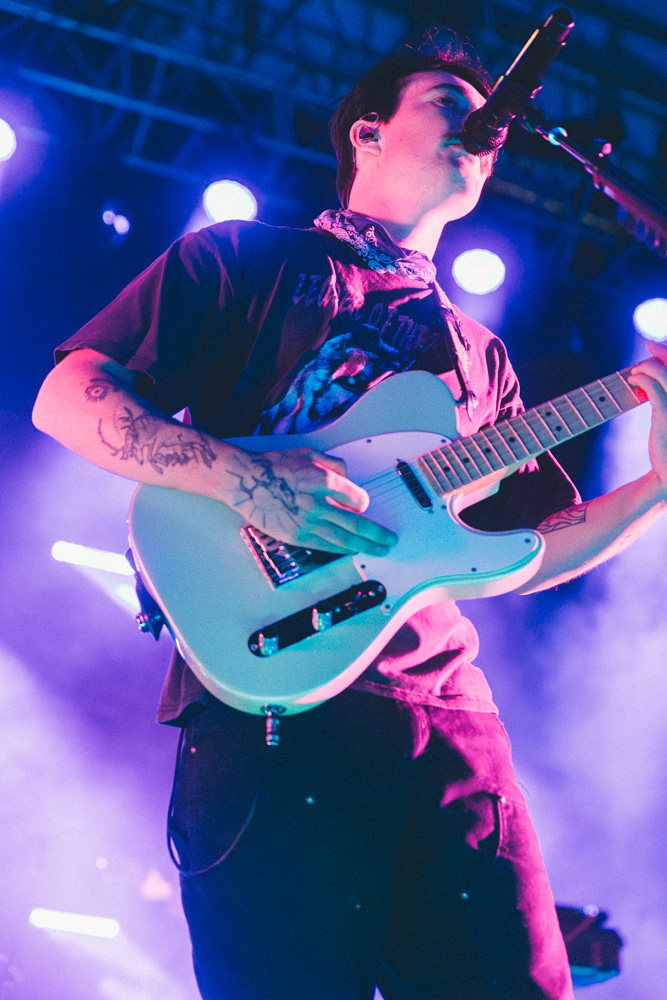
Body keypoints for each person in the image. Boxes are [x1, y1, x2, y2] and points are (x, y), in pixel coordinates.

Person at [32, 29, 667, 1000]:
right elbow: (69, 396)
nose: (479, 129)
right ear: (367, 134)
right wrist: (245, 479)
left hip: (450, 721)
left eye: (488, 121)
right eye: (448, 105)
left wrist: (656, 485)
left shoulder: (480, 358)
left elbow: (523, 555)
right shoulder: (245, 260)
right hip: (273, 705)